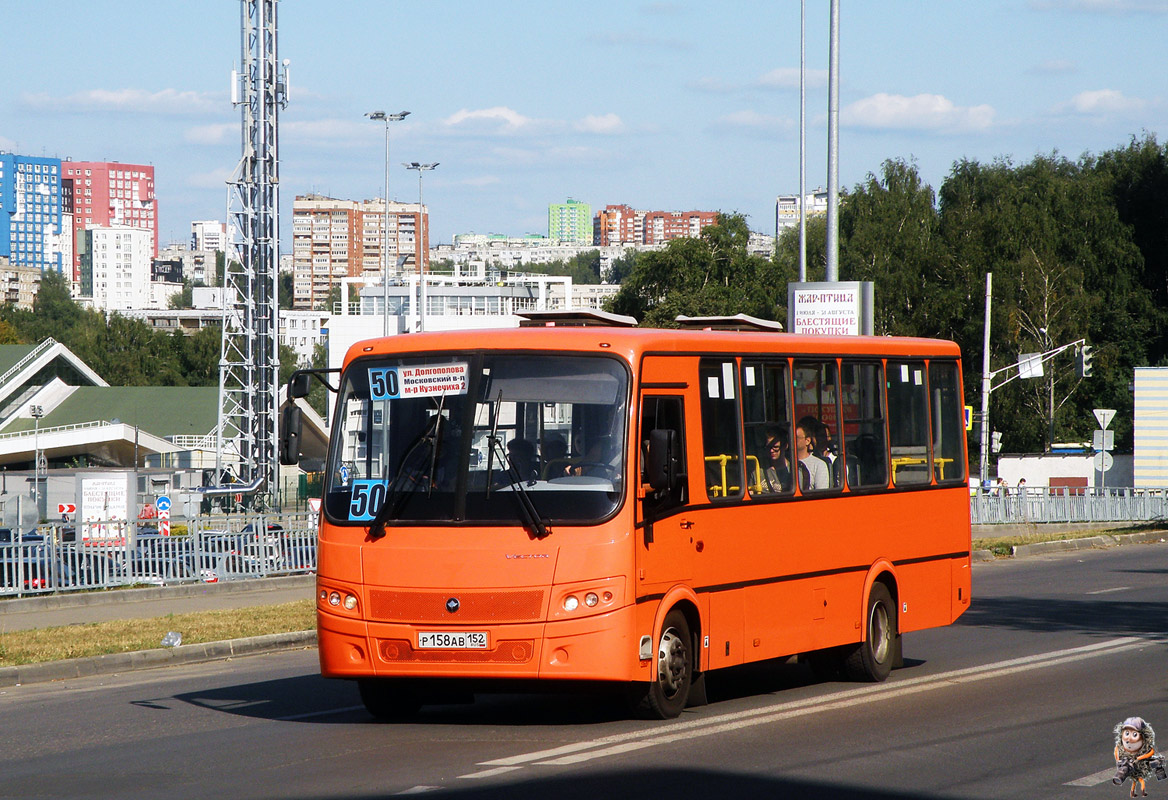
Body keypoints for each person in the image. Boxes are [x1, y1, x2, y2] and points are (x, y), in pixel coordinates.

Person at [795, 420, 831, 491]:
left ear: (807, 441)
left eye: (796, 437)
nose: (792, 440)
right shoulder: (787, 463)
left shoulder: (819, 465)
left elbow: (820, 495)